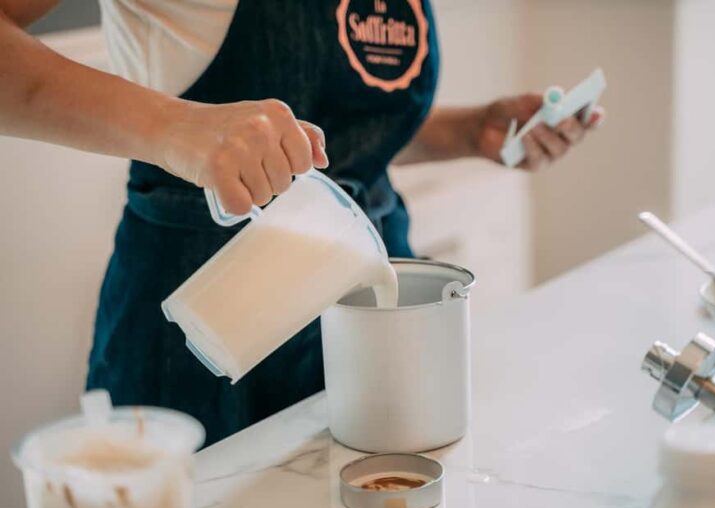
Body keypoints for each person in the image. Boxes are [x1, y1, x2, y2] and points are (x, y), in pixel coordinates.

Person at [0, 0, 604, 446]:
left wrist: (470, 131)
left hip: (372, 308)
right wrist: (174, 128)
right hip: (209, 322)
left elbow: (332, 133)